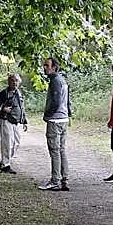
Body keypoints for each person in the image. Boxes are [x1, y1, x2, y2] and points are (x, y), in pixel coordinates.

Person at [38, 57, 72, 192]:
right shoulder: (62, 80)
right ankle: (64, 179)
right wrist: (68, 115)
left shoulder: (55, 81)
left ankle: (55, 181)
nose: (44, 68)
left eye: (47, 65)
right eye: (44, 65)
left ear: (54, 67)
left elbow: (57, 101)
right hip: (63, 119)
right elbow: (67, 101)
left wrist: (48, 114)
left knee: (55, 151)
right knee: (61, 149)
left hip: (55, 120)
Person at [0, 73, 28, 174]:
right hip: (6, 119)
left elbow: (21, 107)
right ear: (8, 82)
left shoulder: (19, 93)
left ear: (19, 82)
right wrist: (3, 108)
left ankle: (3, 162)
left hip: (16, 121)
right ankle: (6, 165)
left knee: (16, 142)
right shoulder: (4, 93)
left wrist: (24, 121)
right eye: (12, 80)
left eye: (16, 81)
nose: (14, 83)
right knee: (7, 142)